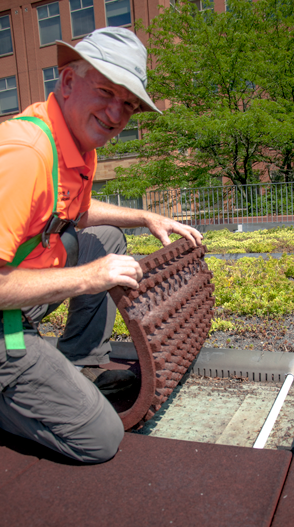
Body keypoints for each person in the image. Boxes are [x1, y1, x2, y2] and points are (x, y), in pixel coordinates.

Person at [0, 27, 202, 463]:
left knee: (105, 240)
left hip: (17, 296)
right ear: (68, 83)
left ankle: (80, 362)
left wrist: (146, 216)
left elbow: (72, 211)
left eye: (128, 104)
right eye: (107, 91)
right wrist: (90, 277)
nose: (116, 113)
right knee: (100, 438)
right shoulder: (24, 157)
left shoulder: (73, 142)